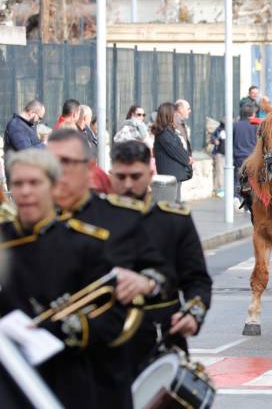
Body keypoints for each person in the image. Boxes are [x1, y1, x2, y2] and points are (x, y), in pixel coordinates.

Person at [46, 128, 167, 408]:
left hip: (101, 367)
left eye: (67, 163)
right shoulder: (22, 224)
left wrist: (146, 282)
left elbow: (161, 275)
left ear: (89, 169)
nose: (57, 172)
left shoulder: (122, 218)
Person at [0, 148, 128, 409]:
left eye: (34, 183)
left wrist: (66, 328)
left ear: (53, 186)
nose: (25, 192)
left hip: (66, 376)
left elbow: (114, 318)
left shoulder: (84, 244)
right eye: (18, 183)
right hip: (10, 380)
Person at [109, 141, 212, 372]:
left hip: (162, 340)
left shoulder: (174, 221)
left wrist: (194, 314)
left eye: (135, 176)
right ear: (110, 174)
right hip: (108, 346)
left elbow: (197, 281)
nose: (128, 185)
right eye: (121, 176)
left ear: (150, 174)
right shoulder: (93, 221)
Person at [154, 102, 193, 201]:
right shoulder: (164, 134)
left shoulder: (170, 131)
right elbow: (175, 150)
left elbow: (180, 146)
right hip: (170, 175)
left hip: (174, 175)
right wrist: (187, 159)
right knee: (171, 205)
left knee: (175, 203)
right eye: (174, 114)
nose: (176, 116)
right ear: (169, 115)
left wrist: (188, 157)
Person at [234, 103, 258, 200]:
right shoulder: (256, 125)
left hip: (238, 157)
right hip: (252, 157)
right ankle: (248, 201)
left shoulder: (235, 125)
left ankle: (237, 197)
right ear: (252, 114)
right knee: (252, 180)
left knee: (238, 178)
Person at [209, 120, 225, 197]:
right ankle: (220, 190)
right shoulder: (219, 129)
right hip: (220, 154)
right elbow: (212, 138)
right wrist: (214, 140)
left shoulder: (233, 128)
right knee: (220, 172)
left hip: (230, 154)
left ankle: (224, 189)